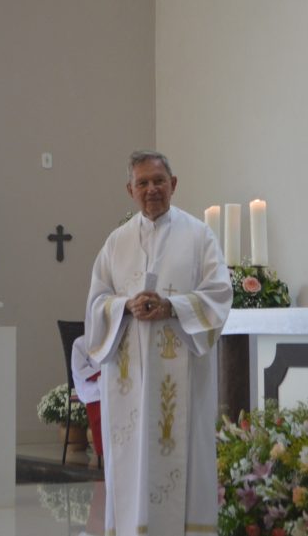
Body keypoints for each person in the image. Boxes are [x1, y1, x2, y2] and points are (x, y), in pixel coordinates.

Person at [85, 150, 232, 536]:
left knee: (183, 453)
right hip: (129, 381)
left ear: (174, 184)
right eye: (143, 183)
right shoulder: (116, 243)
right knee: (133, 459)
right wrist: (124, 307)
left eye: (159, 181)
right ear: (130, 189)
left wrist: (173, 306)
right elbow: (96, 303)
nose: (152, 189)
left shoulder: (199, 235)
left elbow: (219, 293)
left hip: (182, 375)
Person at [70, 334, 103, 465]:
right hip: (92, 387)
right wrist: (103, 375)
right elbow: (81, 370)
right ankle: (102, 452)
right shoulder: (80, 342)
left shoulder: (114, 339)